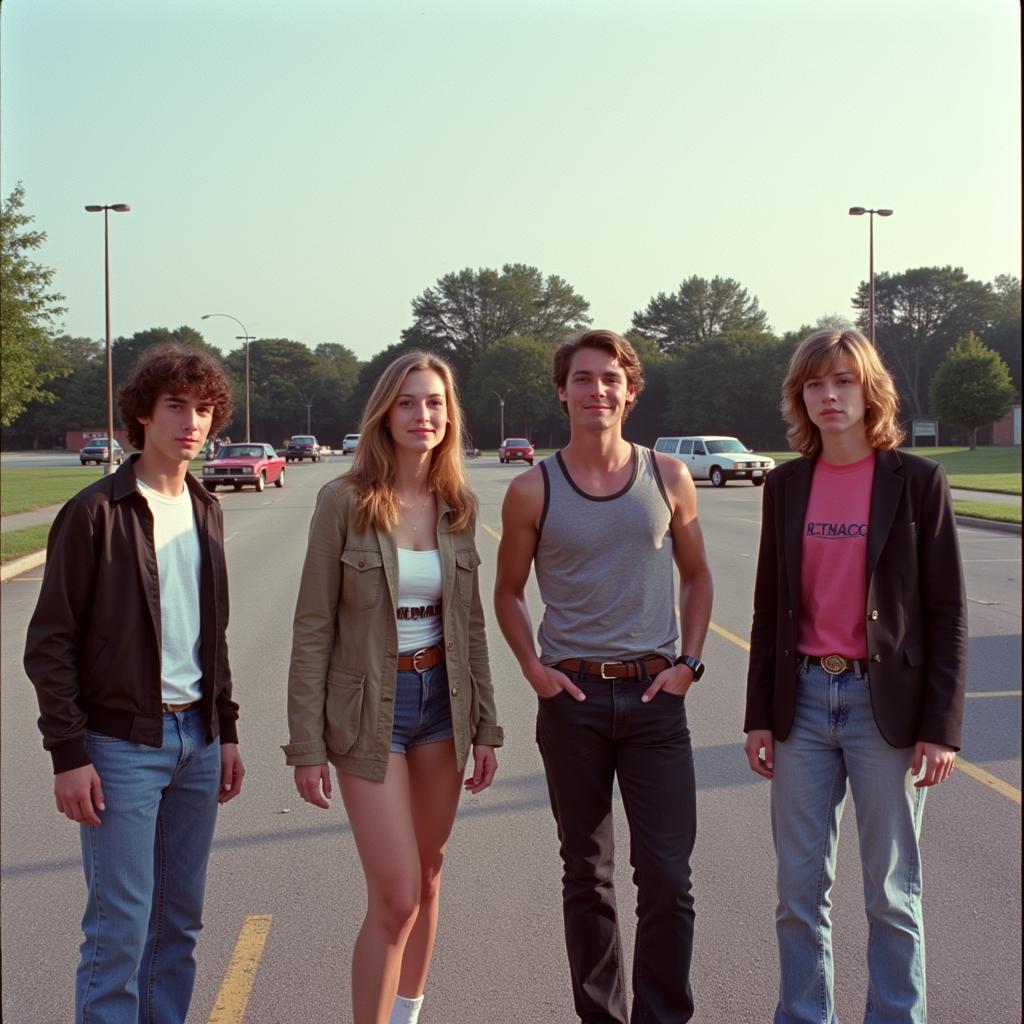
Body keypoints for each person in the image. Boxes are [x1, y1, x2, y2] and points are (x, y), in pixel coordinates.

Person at [743, 328, 967, 1024]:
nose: (828, 395)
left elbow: (947, 613)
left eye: (842, 381)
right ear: (799, 397)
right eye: (814, 384)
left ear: (869, 390)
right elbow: (768, 608)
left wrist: (941, 729)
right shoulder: (784, 485)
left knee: (890, 893)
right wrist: (758, 715)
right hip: (804, 703)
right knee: (798, 892)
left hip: (886, 709)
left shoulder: (916, 481)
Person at [494, 329, 714, 1024]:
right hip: (574, 701)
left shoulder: (668, 477)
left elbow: (698, 576)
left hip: (656, 700)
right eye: (584, 379)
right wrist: (534, 669)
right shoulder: (534, 488)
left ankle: (661, 1016)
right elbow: (507, 590)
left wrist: (689, 664)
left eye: (611, 379)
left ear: (631, 390)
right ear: (562, 391)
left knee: (670, 881)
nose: (598, 391)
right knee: (587, 877)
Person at [24, 343, 245, 1024]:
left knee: (178, 923)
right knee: (120, 927)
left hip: (198, 742)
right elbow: (49, 644)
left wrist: (227, 733)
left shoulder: (207, 508)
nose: (193, 421)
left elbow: (215, 636)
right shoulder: (96, 513)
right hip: (120, 746)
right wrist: (70, 754)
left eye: (204, 408)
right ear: (142, 415)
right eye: (177, 406)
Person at [283, 350, 503, 1024]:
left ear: (449, 416)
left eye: (434, 402)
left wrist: (487, 726)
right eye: (409, 402)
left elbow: (469, 622)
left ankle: (407, 1013)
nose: (423, 415)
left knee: (429, 878)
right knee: (397, 894)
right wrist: (305, 745)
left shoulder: (457, 505)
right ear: (385, 410)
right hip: (366, 711)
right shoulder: (343, 502)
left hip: (444, 704)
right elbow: (313, 626)